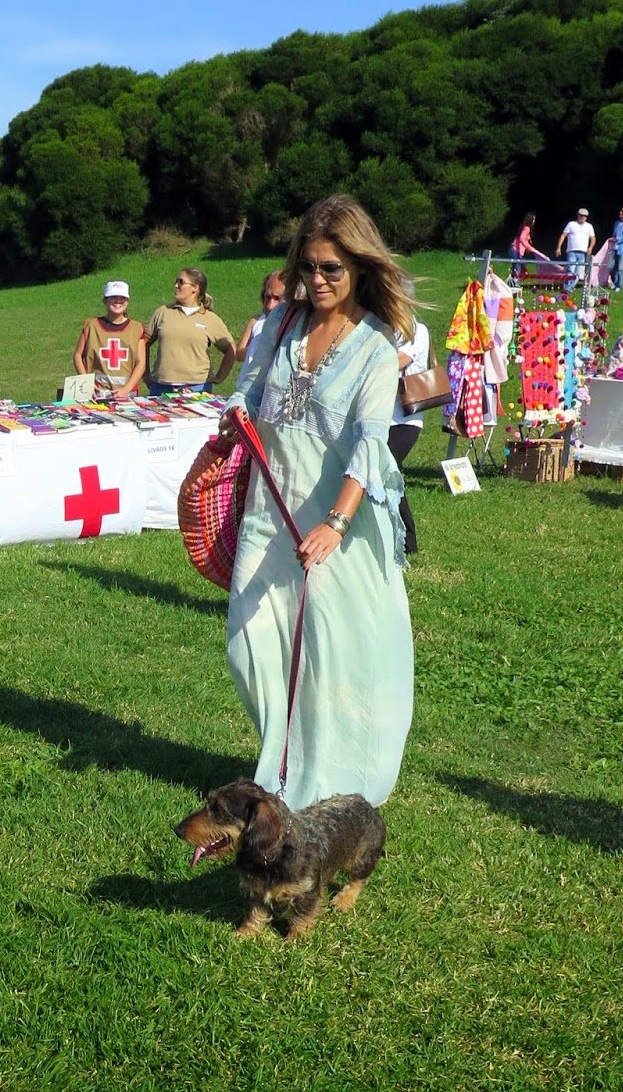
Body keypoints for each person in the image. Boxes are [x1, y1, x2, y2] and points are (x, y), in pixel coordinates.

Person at [220, 193, 416, 809]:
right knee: (248, 643)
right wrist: (236, 414)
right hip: (269, 509)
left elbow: (370, 442)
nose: (318, 279)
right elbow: (249, 388)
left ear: (359, 265)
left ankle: (322, 780)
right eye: (308, 266)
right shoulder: (281, 324)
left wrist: (336, 522)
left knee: (327, 655)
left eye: (331, 268)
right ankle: (283, 753)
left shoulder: (376, 347)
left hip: (335, 522)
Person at [143, 267, 235, 394]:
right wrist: (145, 373)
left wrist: (220, 377)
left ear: (195, 288)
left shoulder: (210, 318)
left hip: (197, 389)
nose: (176, 286)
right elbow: (143, 341)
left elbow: (230, 349)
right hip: (161, 387)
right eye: (176, 282)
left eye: (181, 282)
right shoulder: (163, 312)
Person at [389, 319, 430, 555]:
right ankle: (398, 536)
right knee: (390, 473)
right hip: (381, 416)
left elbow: (397, 362)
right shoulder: (381, 328)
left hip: (405, 419)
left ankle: (408, 539)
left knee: (388, 470)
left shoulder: (416, 331)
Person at [72, 279, 146, 397]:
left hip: (127, 395)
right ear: (105, 300)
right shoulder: (91, 326)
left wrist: (126, 389)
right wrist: (86, 383)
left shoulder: (136, 328)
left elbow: (141, 362)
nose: (118, 301)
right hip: (96, 394)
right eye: (113, 297)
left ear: (127, 301)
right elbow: (77, 355)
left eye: (122, 297)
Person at [233, 271, 286, 396]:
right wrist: (257, 345)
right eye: (268, 297)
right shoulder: (256, 321)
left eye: (277, 299)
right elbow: (238, 354)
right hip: (245, 387)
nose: (270, 305)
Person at [555, 208, 596, 276]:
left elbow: (593, 238)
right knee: (571, 270)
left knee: (578, 272)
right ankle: (569, 283)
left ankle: (571, 283)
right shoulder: (571, 224)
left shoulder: (589, 226)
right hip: (572, 251)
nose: (583, 217)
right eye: (581, 215)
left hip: (583, 252)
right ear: (578, 215)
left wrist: (590, 248)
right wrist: (558, 247)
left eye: (585, 216)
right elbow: (563, 235)